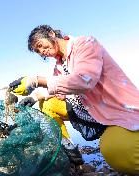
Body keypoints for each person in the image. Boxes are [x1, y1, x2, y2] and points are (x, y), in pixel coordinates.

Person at [9, 24, 139, 174]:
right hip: (93, 111)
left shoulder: (85, 43)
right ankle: (71, 153)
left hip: (119, 109)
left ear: (51, 34)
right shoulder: (59, 66)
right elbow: (60, 91)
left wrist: (36, 80)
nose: (42, 52)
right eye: (38, 52)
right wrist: (34, 97)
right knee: (47, 104)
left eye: (40, 46)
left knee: (115, 151)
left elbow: (85, 80)